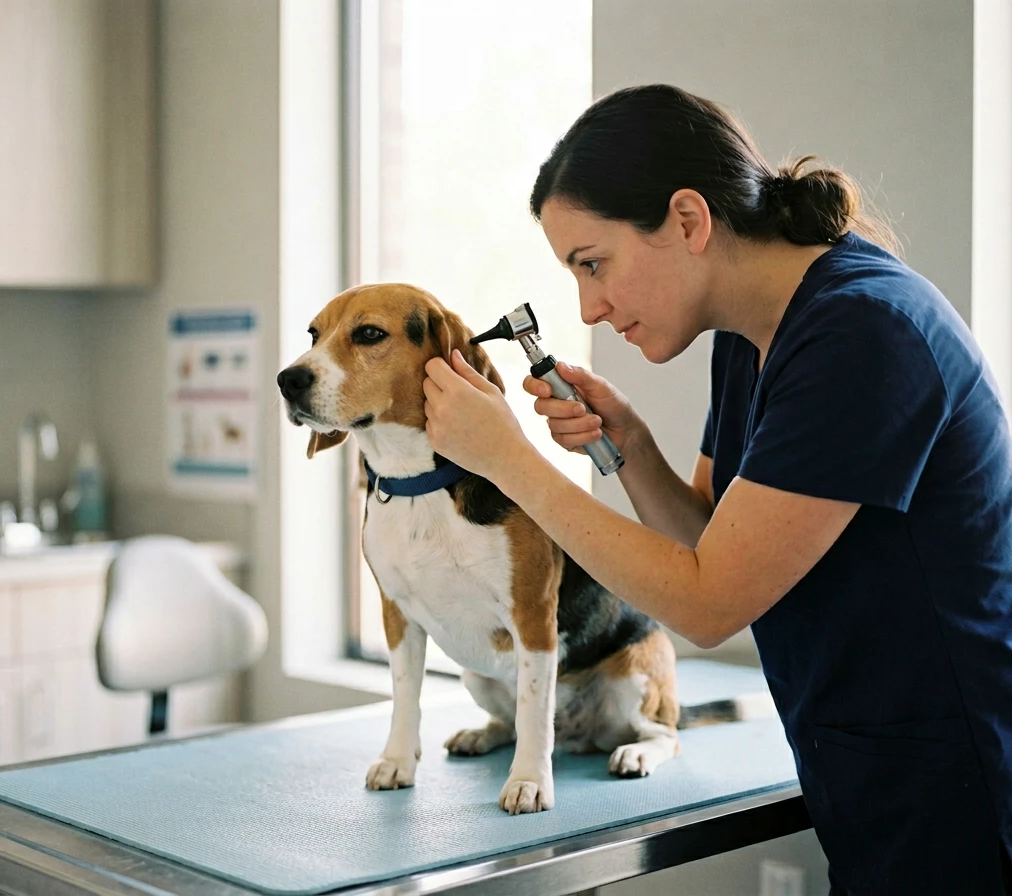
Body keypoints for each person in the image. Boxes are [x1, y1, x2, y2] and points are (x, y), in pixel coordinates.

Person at [422, 84, 1012, 894]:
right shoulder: (750, 339)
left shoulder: (864, 333)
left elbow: (706, 604)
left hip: (963, 786)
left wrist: (511, 465)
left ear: (689, 220)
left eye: (593, 264)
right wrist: (628, 447)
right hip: (869, 766)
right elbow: (706, 538)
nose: (589, 304)